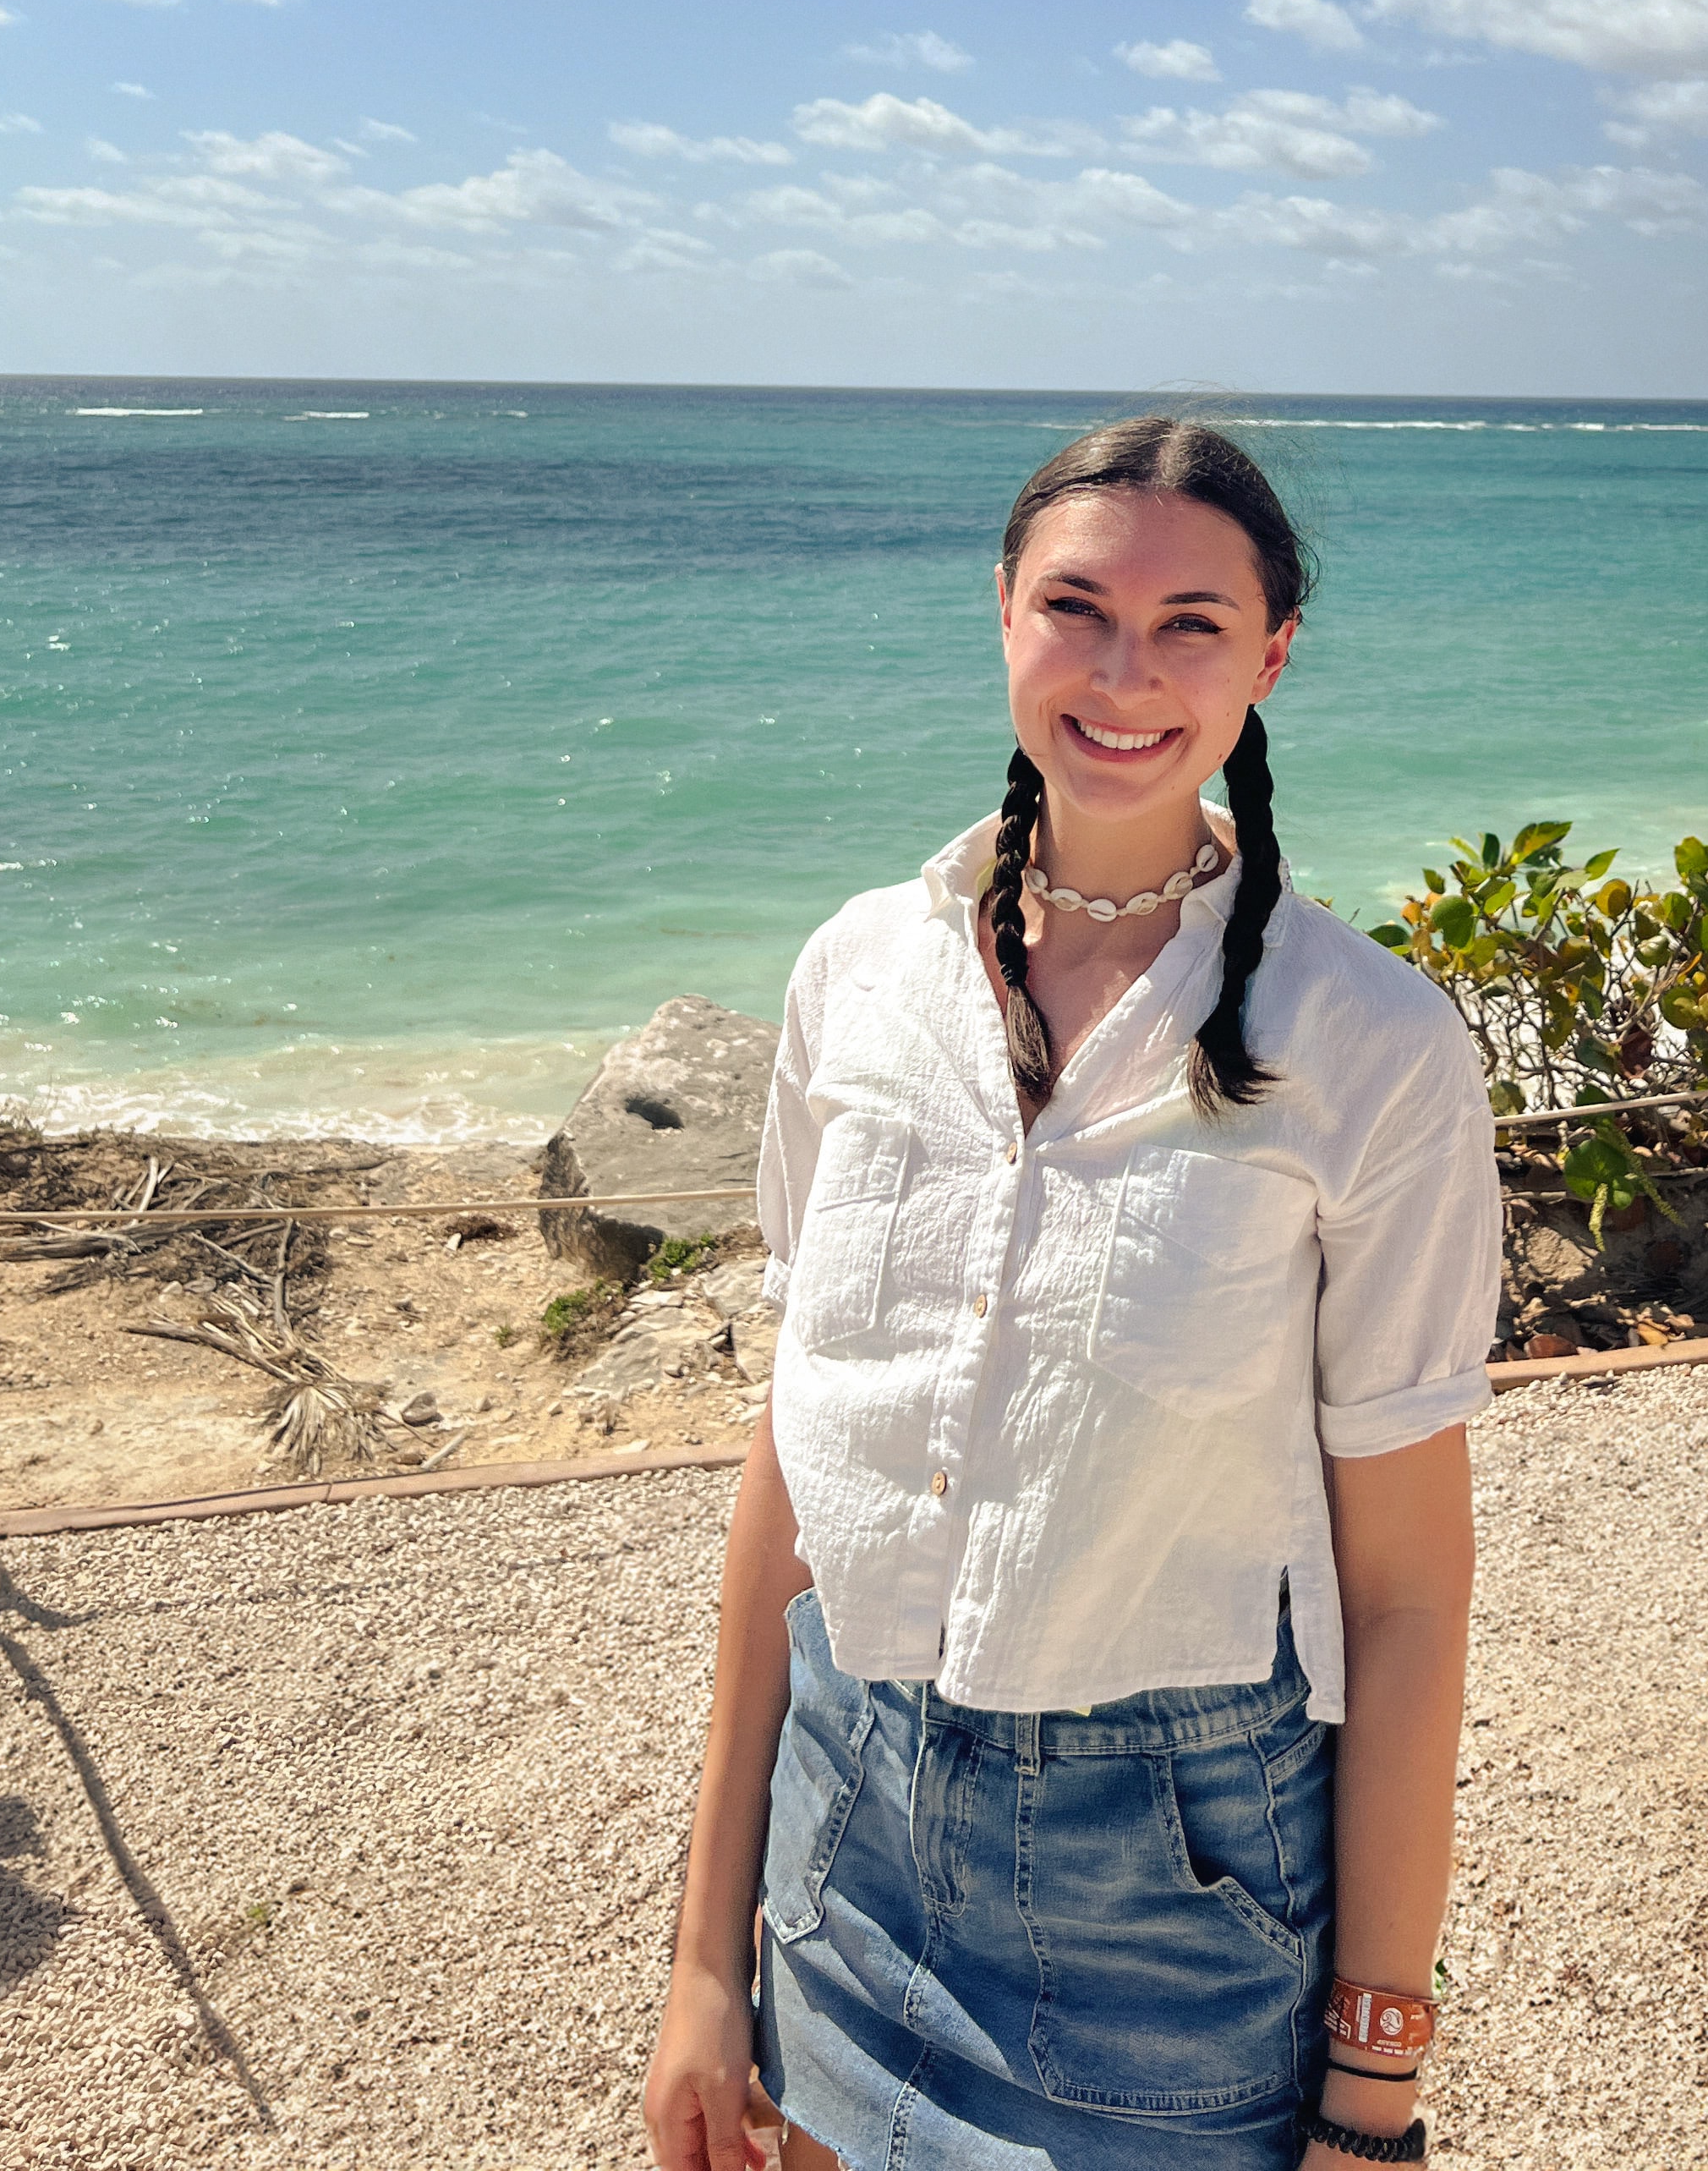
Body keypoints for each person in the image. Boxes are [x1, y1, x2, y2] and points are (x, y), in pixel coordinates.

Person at [644, 415, 1503, 2171]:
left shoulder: (1373, 1048)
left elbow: (1408, 1598)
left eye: (1194, 622)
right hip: (840, 1832)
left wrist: (1376, 2093)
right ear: (1003, 615)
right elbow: (796, 1468)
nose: (1126, 671)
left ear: (1273, 660)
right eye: (1077, 606)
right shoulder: (857, 978)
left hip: (1171, 1912)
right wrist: (702, 1962)